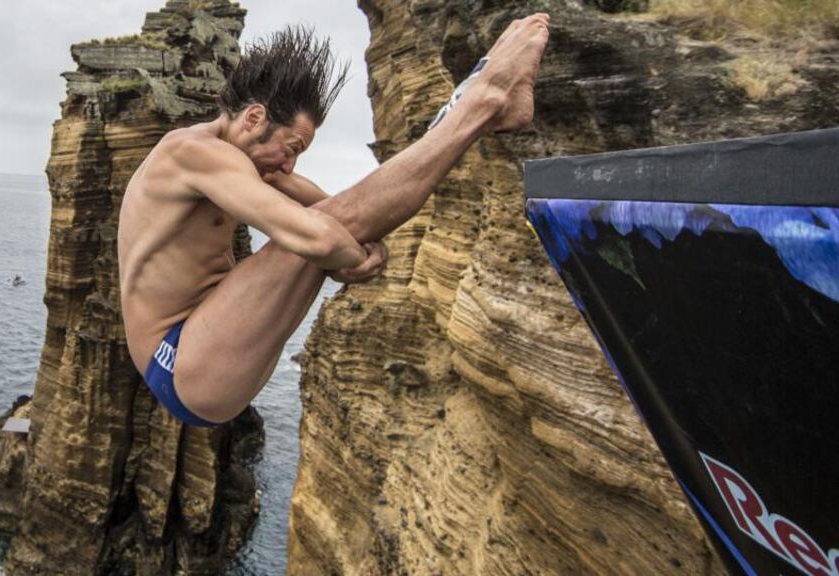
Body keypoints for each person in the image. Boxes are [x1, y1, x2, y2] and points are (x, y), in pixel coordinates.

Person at [117, 14, 551, 426]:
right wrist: (348, 254)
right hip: (178, 362)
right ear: (254, 119)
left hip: (207, 343)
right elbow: (326, 236)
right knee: (317, 232)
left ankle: (480, 107)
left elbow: (344, 210)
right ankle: (482, 104)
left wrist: (355, 241)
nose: (288, 167)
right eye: (291, 148)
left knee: (328, 222)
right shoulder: (192, 154)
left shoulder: (240, 159)